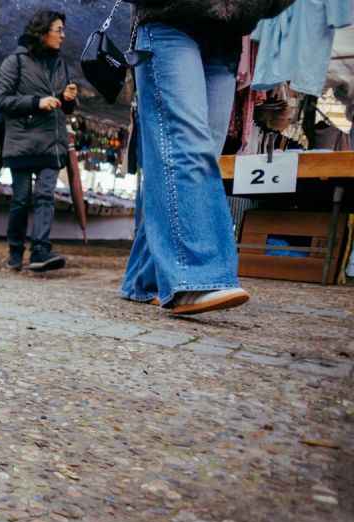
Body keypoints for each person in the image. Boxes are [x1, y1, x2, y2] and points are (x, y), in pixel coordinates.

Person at [121, 0, 294, 315]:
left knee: (200, 157)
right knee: (187, 148)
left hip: (228, 36)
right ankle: (196, 276)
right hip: (169, 18)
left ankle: (143, 280)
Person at [0, 9, 77, 272]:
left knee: (45, 196)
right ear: (41, 33)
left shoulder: (61, 64)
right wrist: (36, 102)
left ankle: (40, 250)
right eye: (58, 30)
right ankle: (15, 251)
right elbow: (0, 100)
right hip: (22, 141)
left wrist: (68, 99)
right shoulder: (15, 62)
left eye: (63, 30)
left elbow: (63, 106)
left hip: (52, 142)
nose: (63, 36)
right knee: (20, 199)